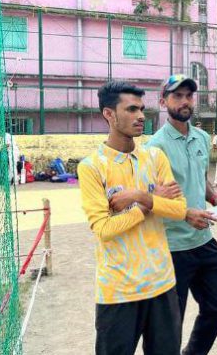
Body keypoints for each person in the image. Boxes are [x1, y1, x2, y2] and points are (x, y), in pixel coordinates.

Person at [77, 81, 187, 355]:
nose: (140, 116)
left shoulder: (154, 156)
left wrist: (140, 196)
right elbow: (103, 228)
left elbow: (179, 209)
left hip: (162, 284)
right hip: (118, 291)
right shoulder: (92, 167)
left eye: (142, 109)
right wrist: (149, 205)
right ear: (109, 114)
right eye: (131, 109)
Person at [146, 74, 217, 355]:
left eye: (189, 96)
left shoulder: (202, 138)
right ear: (163, 101)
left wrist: (213, 196)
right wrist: (184, 214)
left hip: (203, 239)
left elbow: (200, 177)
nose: (184, 101)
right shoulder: (154, 147)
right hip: (172, 246)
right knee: (170, 322)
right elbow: (153, 200)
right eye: (177, 96)